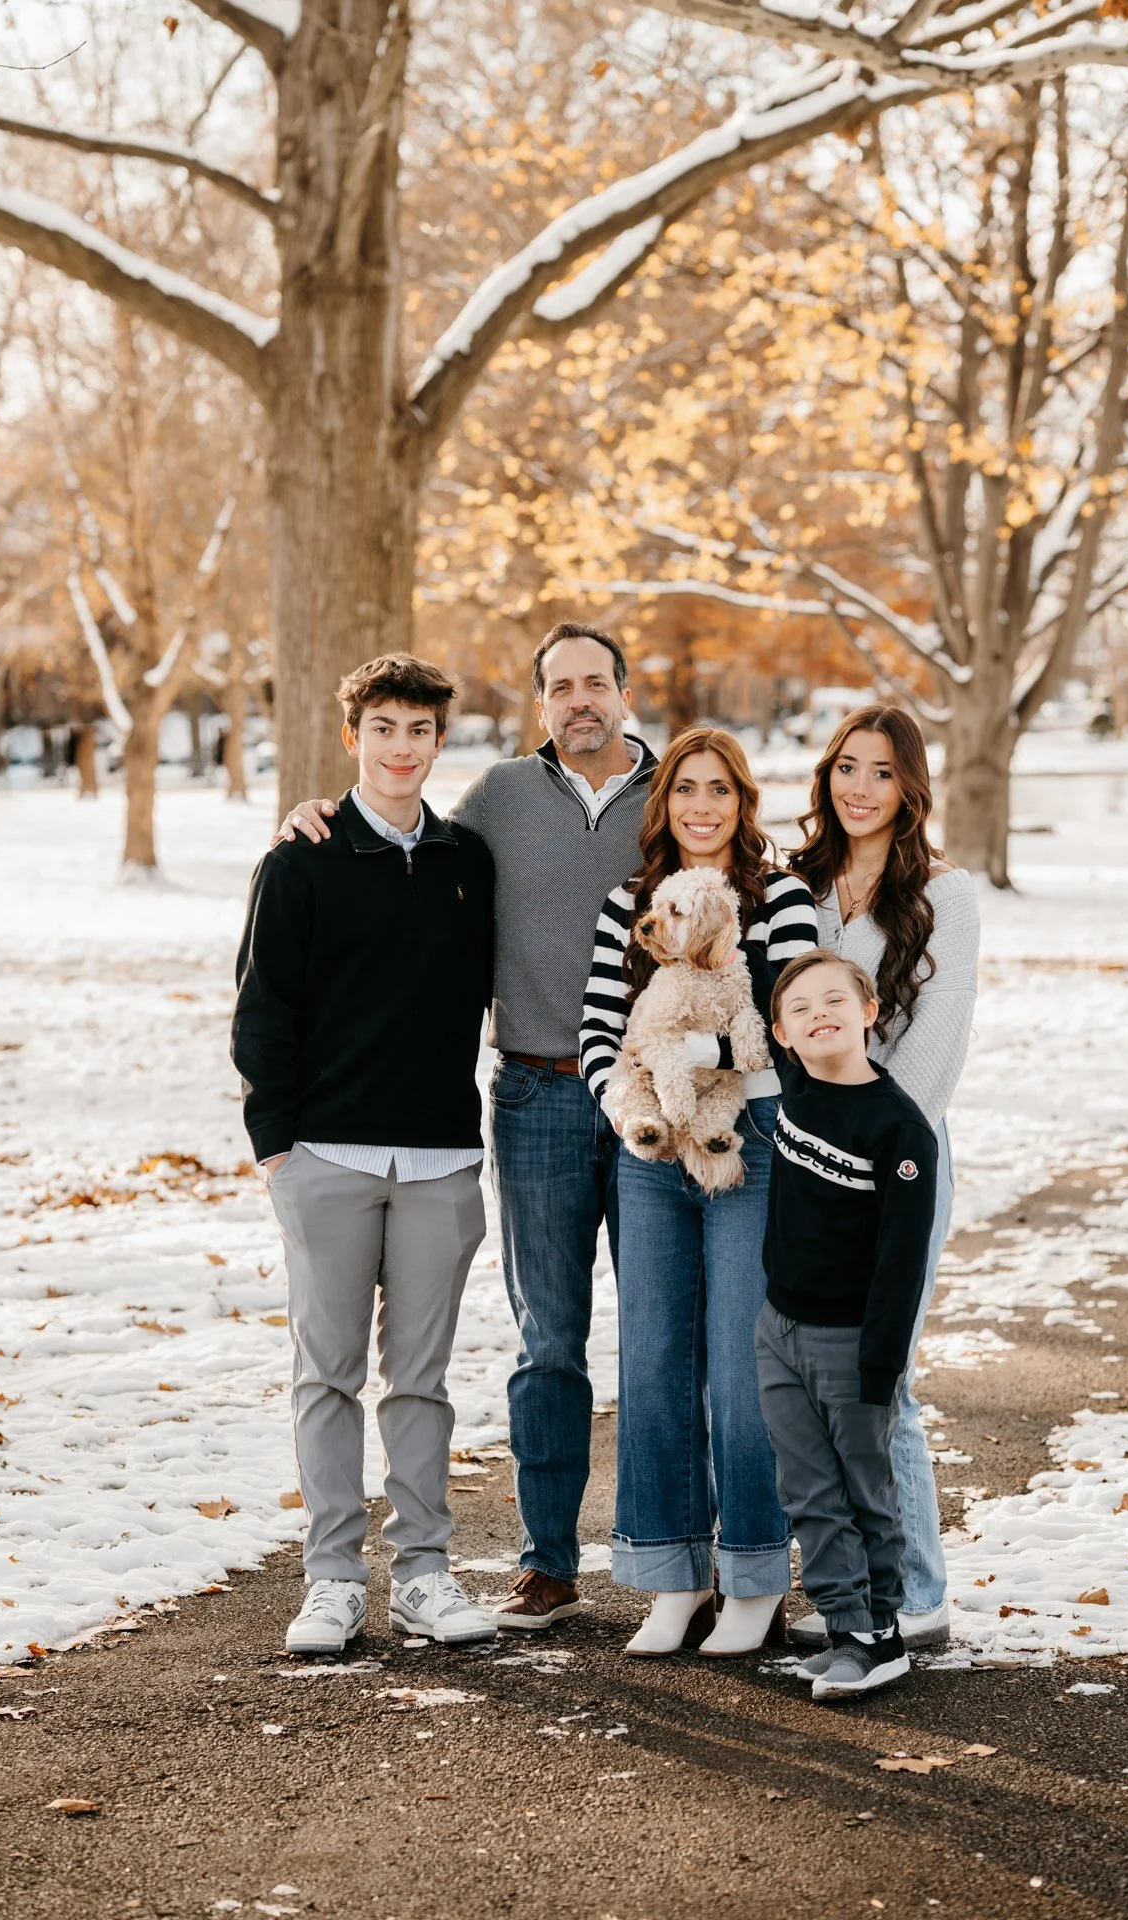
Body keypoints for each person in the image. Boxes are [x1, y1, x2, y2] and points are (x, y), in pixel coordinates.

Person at [273, 624, 656, 1630]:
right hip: (520, 1098)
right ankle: (492, 1565)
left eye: (595, 682)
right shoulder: (481, 812)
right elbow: (269, 998)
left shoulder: (665, 804)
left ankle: (668, 1562)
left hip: (621, 1107)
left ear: (623, 691)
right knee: (536, 1344)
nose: (579, 699)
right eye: (559, 686)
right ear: (538, 704)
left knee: (654, 1342)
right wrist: (278, 1144)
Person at [232, 654, 498, 1653]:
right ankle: (334, 1576)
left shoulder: (469, 861)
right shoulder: (298, 860)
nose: (400, 746)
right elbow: (263, 1013)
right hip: (326, 1159)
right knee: (327, 1373)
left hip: (438, 1161)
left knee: (422, 1379)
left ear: (438, 741)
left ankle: (423, 1572)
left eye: (418, 730)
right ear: (353, 736)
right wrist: (278, 1153)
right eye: (382, 727)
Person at [580, 727, 819, 1656]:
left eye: (719, 789)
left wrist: (699, 1056)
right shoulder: (625, 907)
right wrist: (631, 1105)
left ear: (742, 801)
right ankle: (669, 1577)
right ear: (663, 802)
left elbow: (794, 1034)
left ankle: (754, 1574)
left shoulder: (779, 900)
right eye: (685, 790)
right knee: (651, 1362)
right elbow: (602, 1031)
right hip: (648, 1148)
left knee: (740, 1367)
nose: (702, 807)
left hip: (749, 1145)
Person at [786, 706, 979, 1652]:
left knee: (880, 1384)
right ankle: (850, 1595)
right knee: (816, 1391)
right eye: (845, 768)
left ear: (910, 788)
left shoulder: (947, 895)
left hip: (893, 1170)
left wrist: (856, 1161)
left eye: (881, 773)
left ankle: (919, 1595)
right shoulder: (797, 887)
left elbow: (930, 1064)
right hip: (801, 1169)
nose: (858, 788)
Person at [755, 949, 937, 1701]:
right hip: (778, 1331)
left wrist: (879, 1367)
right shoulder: (796, 1085)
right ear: (781, 1034)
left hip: (849, 1344)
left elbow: (901, 1268)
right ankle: (842, 1626)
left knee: (865, 1491)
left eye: (835, 999)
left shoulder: (899, 1132)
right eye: (798, 1008)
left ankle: (882, 1635)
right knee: (807, 1491)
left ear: (870, 1013)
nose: (817, 1014)